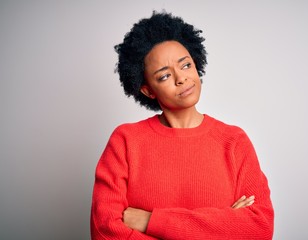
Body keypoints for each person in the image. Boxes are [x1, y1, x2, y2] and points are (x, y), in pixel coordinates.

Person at [91, 11, 274, 240]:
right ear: (147, 90)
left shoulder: (234, 141)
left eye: (185, 65)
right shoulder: (126, 141)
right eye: (164, 76)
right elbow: (105, 232)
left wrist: (151, 221)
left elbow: (260, 227)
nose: (181, 78)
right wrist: (222, 226)